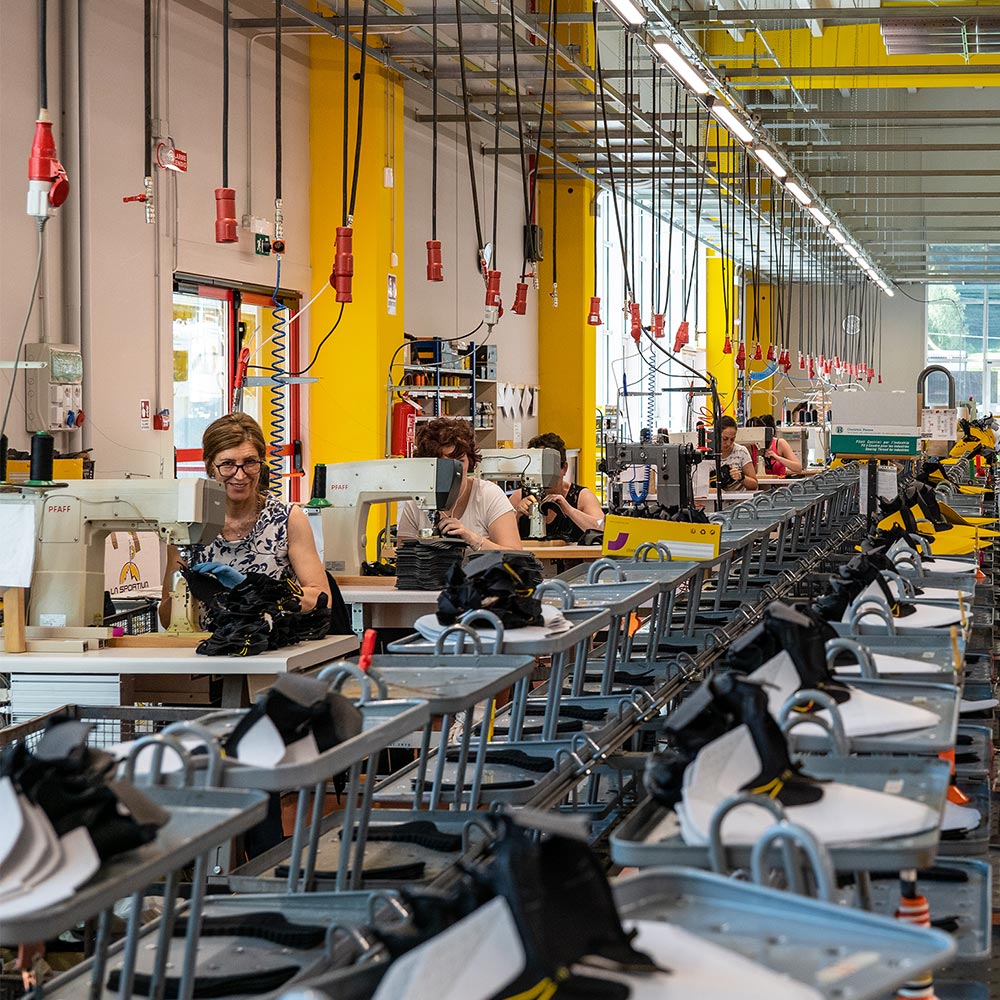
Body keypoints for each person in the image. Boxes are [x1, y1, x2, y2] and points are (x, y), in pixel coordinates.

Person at [159, 413, 331, 628]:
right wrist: (187, 590)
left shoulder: (286, 520)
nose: (240, 475)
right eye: (228, 464)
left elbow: (321, 597)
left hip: (268, 642)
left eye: (249, 462)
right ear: (210, 465)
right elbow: (166, 618)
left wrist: (261, 593)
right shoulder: (187, 523)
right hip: (204, 643)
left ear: (262, 463)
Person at [396, 416, 522, 550]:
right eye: (445, 464)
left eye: (460, 462)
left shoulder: (489, 495)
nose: (453, 471)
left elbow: (515, 554)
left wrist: (473, 539)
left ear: (470, 461)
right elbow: (403, 554)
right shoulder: (416, 502)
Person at [508, 432, 604, 542]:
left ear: (564, 468)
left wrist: (569, 510)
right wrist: (516, 516)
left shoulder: (581, 496)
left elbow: (601, 530)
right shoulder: (519, 497)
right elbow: (502, 538)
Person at [715, 415, 758, 491]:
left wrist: (741, 477)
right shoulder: (707, 453)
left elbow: (754, 484)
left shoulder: (741, 452)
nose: (728, 443)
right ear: (716, 435)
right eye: (725, 439)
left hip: (738, 498)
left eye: (732, 439)